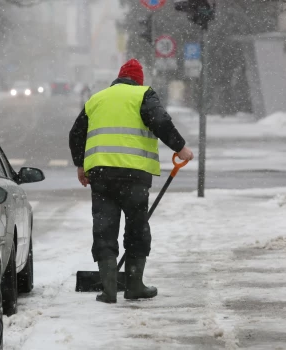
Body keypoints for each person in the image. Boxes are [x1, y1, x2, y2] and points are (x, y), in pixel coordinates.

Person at [69, 58, 194, 304]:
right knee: (136, 228)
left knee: (104, 229)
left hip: (102, 175)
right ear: (139, 80)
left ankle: (108, 290)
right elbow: (160, 122)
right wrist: (180, 148)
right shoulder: (143, 95)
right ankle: (134, 286)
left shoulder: (97, 99)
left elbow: (76, 133)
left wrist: (81, 166)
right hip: (134, 176)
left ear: (118, 78)